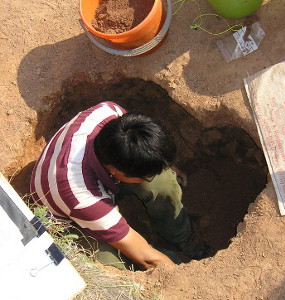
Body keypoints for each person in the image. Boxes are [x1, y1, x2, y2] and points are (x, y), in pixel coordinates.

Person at [30, 101, 207, 270]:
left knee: (163, 182)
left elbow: (143, 147)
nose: (151, 177)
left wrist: (164, 164)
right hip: (70, 218)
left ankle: (183, 238)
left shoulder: (110, 114)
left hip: (88, 179)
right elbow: (147, 258)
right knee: (109, 262)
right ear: (116, 171)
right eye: (145, 176)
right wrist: (183, 277)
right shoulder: (81, 197)